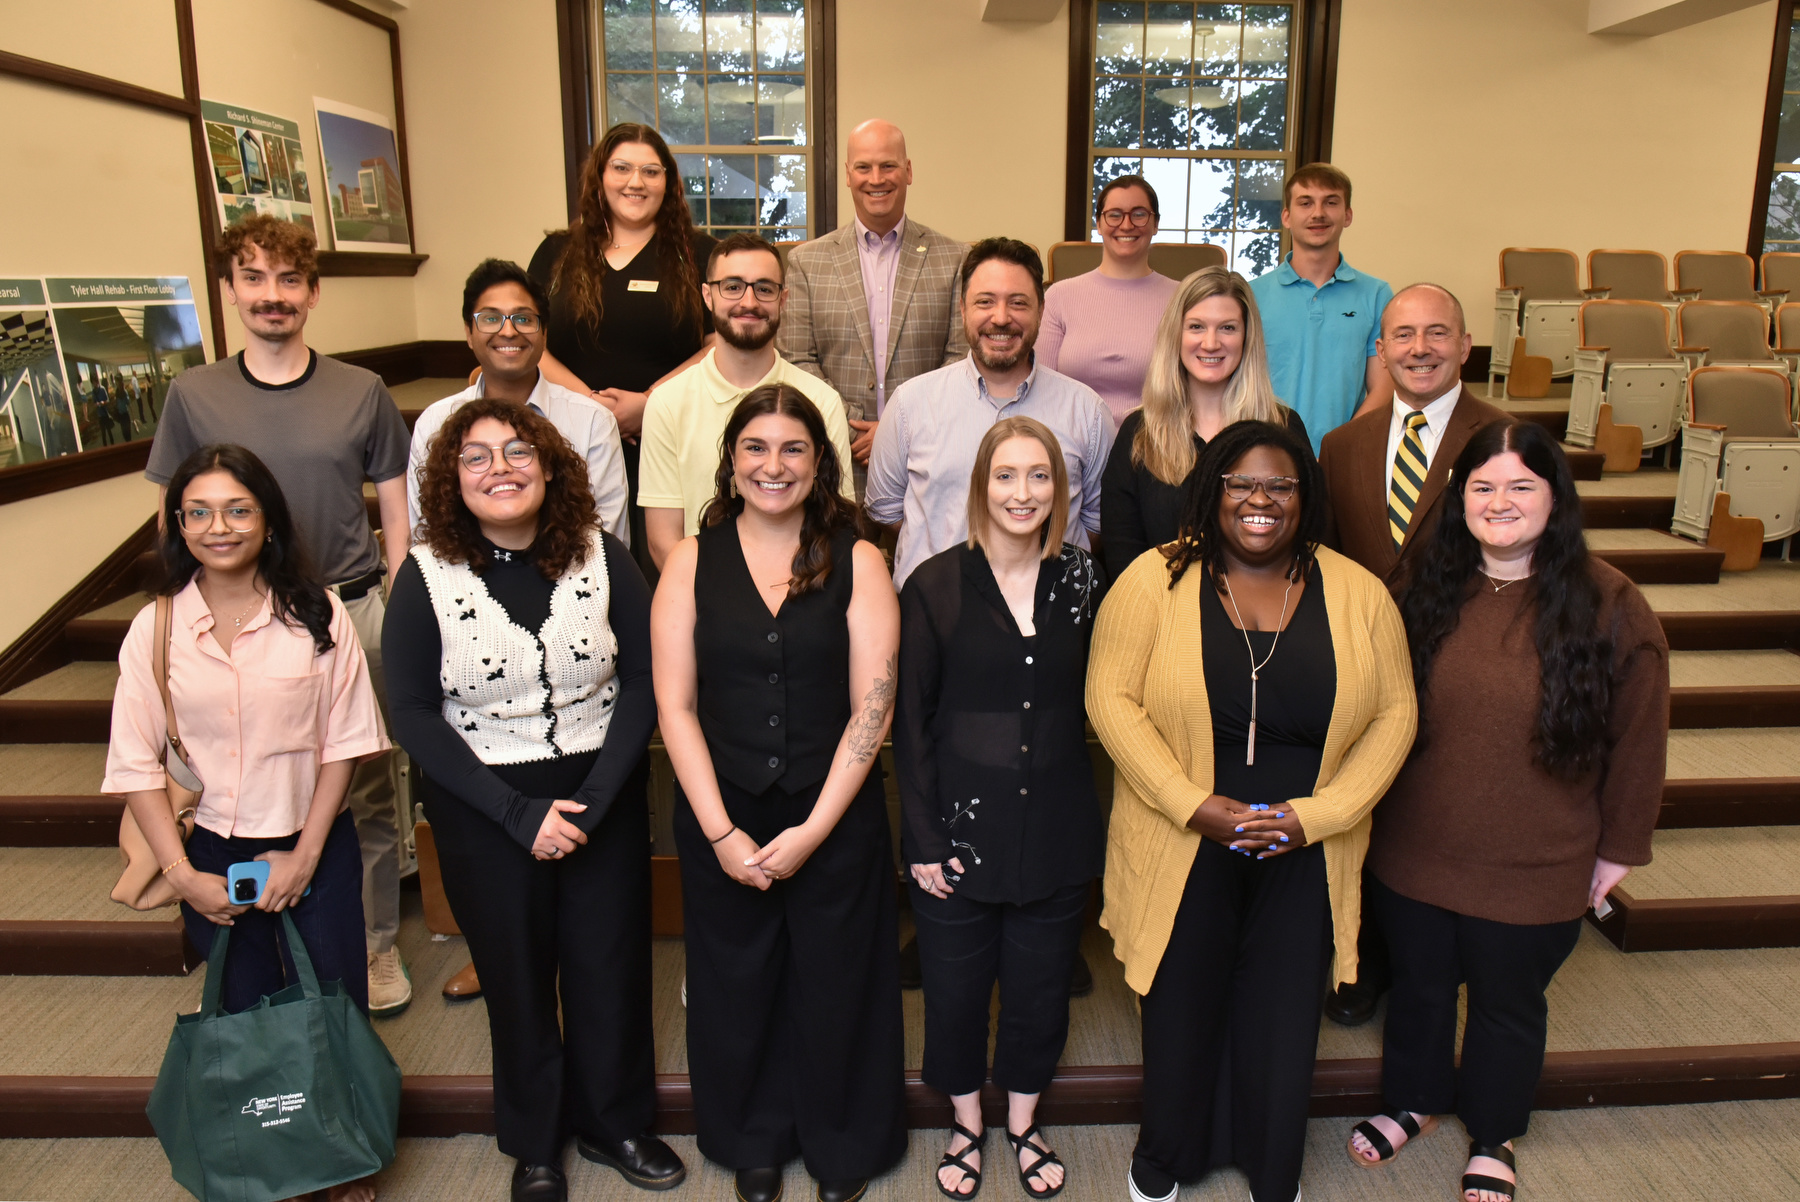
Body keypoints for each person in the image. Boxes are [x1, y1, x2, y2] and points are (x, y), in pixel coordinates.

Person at [1088, 420, 1417, 1202]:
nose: (1259, 501)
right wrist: (1190, 804)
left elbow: (1396, 715)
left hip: (1305, 842)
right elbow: (1109, 698)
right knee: (1181, 1001)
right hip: (1185, 836)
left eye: (1280, 486)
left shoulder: (1358, 591)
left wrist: (1321, 814)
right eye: (1240, 484)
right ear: (1213, 491)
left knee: (1282, 1014)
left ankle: (1274, 1172)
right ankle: (1163, 1160)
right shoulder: (1153, 579)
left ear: (1305, 498)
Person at [1345, 419, 1667, 1202]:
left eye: (1522, 486)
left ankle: (1495, 1131)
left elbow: (1639, 738)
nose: (1500, 502)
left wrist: (1619, 849)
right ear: (1458, 501)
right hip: (1416, 847)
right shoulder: (1421, 587)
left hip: (1537, 861)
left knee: (1506, 1003)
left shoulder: (1612, 603)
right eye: (1483, 487)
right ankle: (1416, 1100)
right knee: (1420, 985)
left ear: (1556, 499)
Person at [383, 398, 684, 1202]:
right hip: (484, 806)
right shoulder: (426, 575)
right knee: (516, 977)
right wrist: (516, 814)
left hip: (601, 792)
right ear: (452, 481)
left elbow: (651, 678)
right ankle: (536, 1142)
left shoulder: (603, 555)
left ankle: (616, 1122)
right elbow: (410, 709)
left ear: (550, 467)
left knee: (609, 966)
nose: (500, 469)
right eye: (476, 458)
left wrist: (590, 800)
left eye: (518, 452)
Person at [103, 444, 389, 1202]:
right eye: (198, 512)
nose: (217, 527)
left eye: (237, 509)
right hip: (209, 850)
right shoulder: (155, 628)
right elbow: (135, 765)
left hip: (310, 842)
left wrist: (304, 854)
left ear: (267, 520)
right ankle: (272, 1159)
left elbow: (345, 746)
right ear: (176, 524)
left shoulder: (317, 614)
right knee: (242, 1013)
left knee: (332, 1005)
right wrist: (183, 876)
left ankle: (343, 1161)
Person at [147, 214, 415, 1015]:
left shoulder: (360, 391)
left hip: (343, 607)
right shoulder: (193, 396)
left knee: (362, 786)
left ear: (313, 292)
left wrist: (401, 606)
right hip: (230, 618)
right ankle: (253, 944)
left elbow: (395, 510)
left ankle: (371, 947)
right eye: (254, 279)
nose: (273, 296)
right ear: (230, 292)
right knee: (240, 780)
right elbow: (173, 512)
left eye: (288, 280)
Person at [651, 384, 906, 1202]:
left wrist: (815, 828)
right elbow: (674, 707)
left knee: (839, 981)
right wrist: (722, 832)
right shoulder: (692, 560)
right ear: (731, 462)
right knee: (736, 980)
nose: (774, 465)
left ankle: (843, 1142)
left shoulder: (859, 558)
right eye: (756, 448)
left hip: (833, 809)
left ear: (821, 463)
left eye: (793, 449)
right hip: (721, 807)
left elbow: (875, 707)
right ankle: (752, 1136)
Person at [897, 417, 1105, 1201]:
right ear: (982, 487)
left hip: (1055, 829)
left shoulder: (1084, 581)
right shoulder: (935, 585)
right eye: (1007, 476)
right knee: (952, 993)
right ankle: (964, 1124)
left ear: (1060, 487)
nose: (1024, 493)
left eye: (1040, 476)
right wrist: (920, 839)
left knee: (1039, 989)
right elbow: (909, 726)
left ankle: (1022, 1121)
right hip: (955, 838)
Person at [1313, 283, 1510, 1028]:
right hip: (1360, 663)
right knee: (1364, 803)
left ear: (1465, 346)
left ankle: (1423, 960)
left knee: (1433, 813)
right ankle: (1360, 960)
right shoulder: (1342, 445)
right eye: (1403, 335)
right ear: (1382, 350)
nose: (1419, 348)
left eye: (1437, 333)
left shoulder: (1505, 438)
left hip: (1462, 660)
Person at [867, 237, 1114, 590]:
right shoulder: (910, 404)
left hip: (1048, 619)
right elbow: (886, 511)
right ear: (963, 310)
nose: (1001, 318)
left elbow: (1096, 521)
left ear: (1041, 311)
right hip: (934, 616)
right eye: (985, 302)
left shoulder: (1087, 412)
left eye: (1018, 303)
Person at [527, 123, 718, 573]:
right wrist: (591, 408)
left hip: (670, 435)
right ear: (600, 176)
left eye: (651, 172)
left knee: (664, 568)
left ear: (668, 183)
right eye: (622, 168)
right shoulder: (557, 252)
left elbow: (718, 343)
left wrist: (650, 403)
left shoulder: (699, 252)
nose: (636, 182)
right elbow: (529, 336)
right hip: (570, 435)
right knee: (576, 562)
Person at [639, 232, 856, 569]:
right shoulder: (667, 403)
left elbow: (835, 525)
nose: (749, 302)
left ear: (783, 300)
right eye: (733, 286)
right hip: (704, 600)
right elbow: (662, 539)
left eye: (764, 288)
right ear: (707, 295)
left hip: (802, 593)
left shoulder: (822, 401)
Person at [778, 119, 969, 475]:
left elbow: (959, 360)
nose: (876, 178)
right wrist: (851, 425)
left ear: (908, 171)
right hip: (838, 459)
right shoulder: (807, 261)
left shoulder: (954, 258)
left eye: (888, 165)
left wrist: (897, 429)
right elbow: (797, 359)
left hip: (927, 459)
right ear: (848, 175)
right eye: (864, 167)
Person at [1100, 266, 1309, 575]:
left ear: (1247, 337)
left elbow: (1308, 538)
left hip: (1262, 614)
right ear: (1176, 334)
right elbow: (1122, 555)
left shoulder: (1282, 427)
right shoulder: (1139, 432)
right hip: (1163, 615)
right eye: (1196, 327)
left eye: (1227, 328)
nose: (1211, 343)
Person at [407, 259, 628, 542]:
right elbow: (428, 536)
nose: (508, 331)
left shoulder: (592, 421)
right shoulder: (436, 423)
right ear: (468, 333)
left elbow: (606, 540)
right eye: (490, 318)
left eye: (523, 319)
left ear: (544, 332)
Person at [1248, 163, 1393, 449]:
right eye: (1305, 203)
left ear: (1347, 215)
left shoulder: (1376, 294)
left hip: (1345, 455)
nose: (1318, 213)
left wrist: (1338, 449)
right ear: (1287, 217)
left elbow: (1383, 388)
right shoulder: (1251, 294)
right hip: (1264, 454)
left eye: (1331, 202)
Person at [1036, 175, 1180, 429]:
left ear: (1155, 223)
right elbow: (1041, 390)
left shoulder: (1181, 298)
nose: (1126, 225)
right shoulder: (1059, 297)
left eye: (1139, 214)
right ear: (1099, 224)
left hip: (1157, 446)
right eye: (1114, 215)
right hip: (1072, 445)